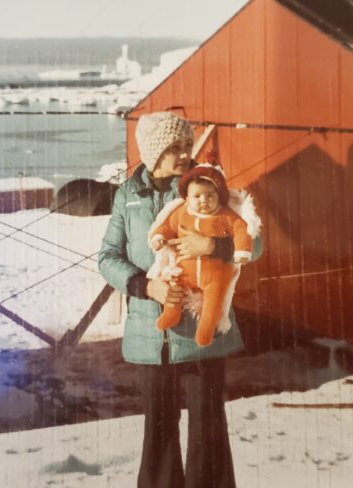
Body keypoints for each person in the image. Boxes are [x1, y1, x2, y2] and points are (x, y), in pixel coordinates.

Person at [98, 111, 261, 488]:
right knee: (157, 436)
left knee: (208, 433)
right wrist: (144, 285)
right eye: (175, 147)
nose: (185, 154)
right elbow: (107, 258)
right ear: (154, 152)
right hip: (150, 335)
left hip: (201, 334)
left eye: (188, 145)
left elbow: (256, 242)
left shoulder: (205, 187)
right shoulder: (128, 196)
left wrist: (215, 244)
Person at [149, 164, 254, 346]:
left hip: (215, 272)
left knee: (213, 302)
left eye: (210, 196)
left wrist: (242, 250)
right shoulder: (181, 214)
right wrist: (159, 237)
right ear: (187, 198)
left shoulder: (225, 216)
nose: (204, 201)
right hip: (184, 269)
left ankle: (206, 329)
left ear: (219, 198)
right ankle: (171, 313)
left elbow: (242, 230)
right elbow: (166, 226)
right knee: (174, 285)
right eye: (197, 196)